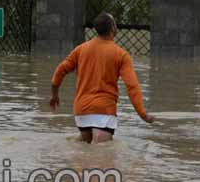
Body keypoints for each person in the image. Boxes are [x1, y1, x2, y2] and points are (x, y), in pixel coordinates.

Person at [49, 12, 154, 143]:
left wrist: (54, 95)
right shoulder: (121, 55)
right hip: (104, 111)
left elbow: (60, 70)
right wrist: (143, 114)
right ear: (113, 29)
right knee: (102, 155)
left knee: (84, 150)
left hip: (81, 111)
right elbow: (132, 87)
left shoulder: (81, 49)